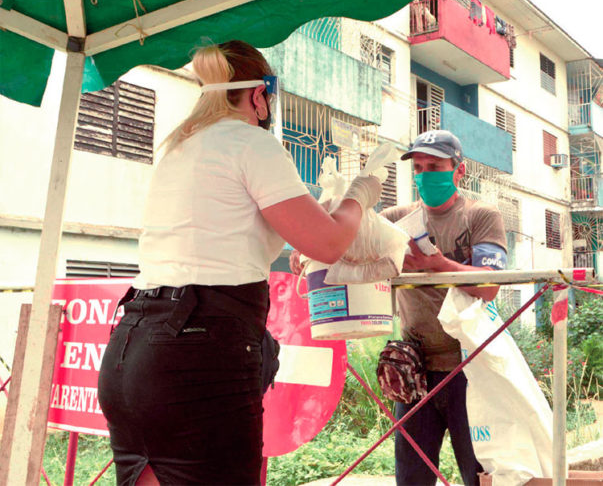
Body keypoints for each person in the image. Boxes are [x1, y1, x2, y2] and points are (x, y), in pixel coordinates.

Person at [97, 40, 382, 486]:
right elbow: (328, 242)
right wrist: (360, 194)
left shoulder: (179, 147)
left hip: (131, 350)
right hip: (199, 356)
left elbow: (225, 232)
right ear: (257, 95)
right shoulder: (250, 142)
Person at [381, 130, 507, 486]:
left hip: (470, 368)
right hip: (415, 370)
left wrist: (434, 264)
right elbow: (348, 243)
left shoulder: (479, 216)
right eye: (418, 168)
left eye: (434, 166)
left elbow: (488, 285)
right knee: (412, 477)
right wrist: (306, 254)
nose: (424, 175)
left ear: (459, 171)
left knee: (480, 475)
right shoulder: (394, 220)